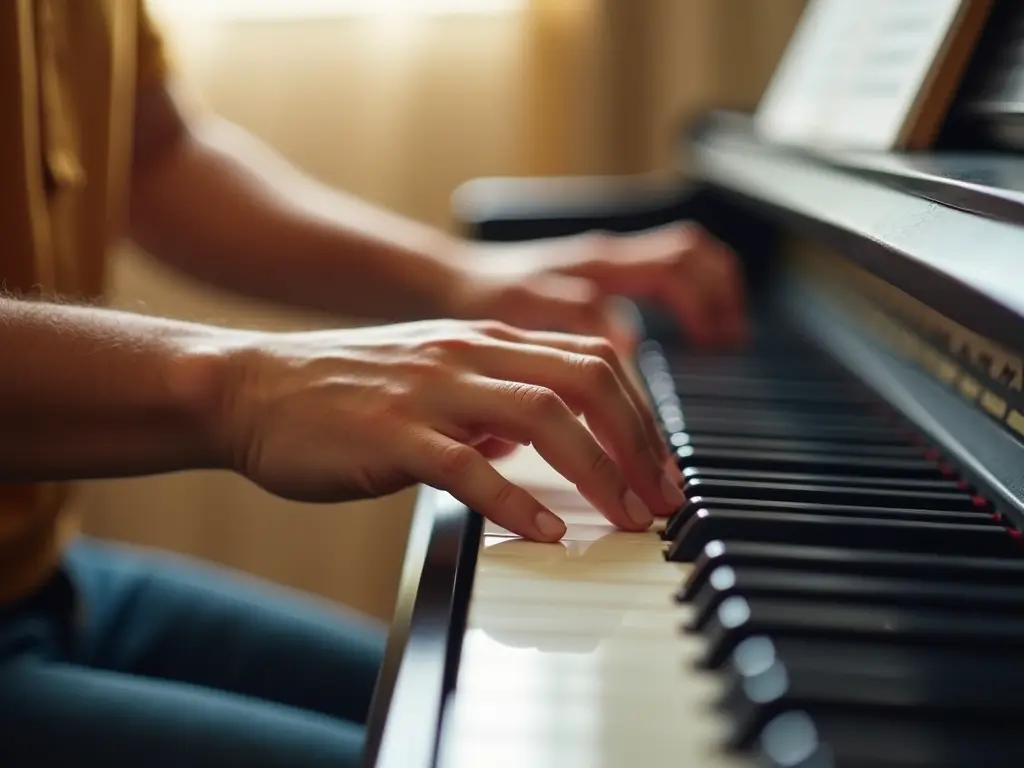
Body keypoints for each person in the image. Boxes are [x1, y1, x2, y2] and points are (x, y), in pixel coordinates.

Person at [0, 3, 746, 767]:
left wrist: (461, 280)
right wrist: (245, 390)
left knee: (502, 731)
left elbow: (153, 150)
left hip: (41, 575)